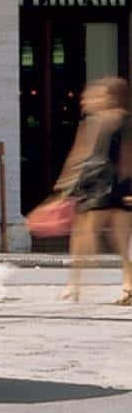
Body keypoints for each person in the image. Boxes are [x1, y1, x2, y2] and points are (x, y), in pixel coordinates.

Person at [57, 76, 132, 304]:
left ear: (108, 97)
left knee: (82, 236)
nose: (86, 100)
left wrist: (64, 185)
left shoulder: (94, 122)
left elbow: (79, 155)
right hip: (122, 186)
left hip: (98, 185)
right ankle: (128, 287)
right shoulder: (126, 121)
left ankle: (75, 284)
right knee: (122, 242)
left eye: (94, 95)